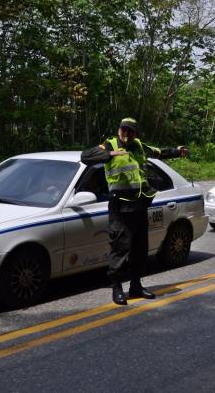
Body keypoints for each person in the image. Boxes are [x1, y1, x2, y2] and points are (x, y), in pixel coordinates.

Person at [81, 117, 188, 305]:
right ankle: (117, 288)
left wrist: (177, 151)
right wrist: (109, 154)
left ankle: (136, 286)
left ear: (135, 133)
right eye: (124, 129)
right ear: (119, 130)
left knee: (140, 249)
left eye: (130, 130)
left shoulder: (139, 146)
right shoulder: (110, 144)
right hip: (120, 207)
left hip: (139, 205)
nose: (127, 133)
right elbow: (86, 156)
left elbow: (158, 152)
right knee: (120, 248)